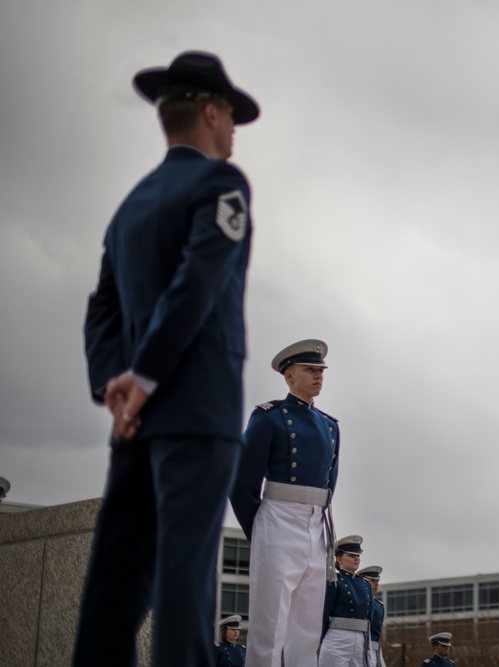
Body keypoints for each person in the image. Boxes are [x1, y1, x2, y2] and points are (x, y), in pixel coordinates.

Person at [78, 50, 258, 666]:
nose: (234, 128)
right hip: (196, 412)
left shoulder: (131, 205)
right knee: (185, 584)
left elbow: (101, 308)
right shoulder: (222, 185)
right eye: (230, 114)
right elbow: (198, 283)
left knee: (113, 588)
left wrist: (115, 385)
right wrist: (147, 379)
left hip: (133, 424)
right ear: (210, 112)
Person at [229, 339, 341, 667]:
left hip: (315, 525)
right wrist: (261, 531)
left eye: (321, 370)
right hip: (277, 519)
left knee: (307, 630)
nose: (318, 376)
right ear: (289, 376)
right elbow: (241, 482)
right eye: (310, 370)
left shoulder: (330, 426)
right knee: (269, 627)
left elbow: (328, 486)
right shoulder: (269, 418)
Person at [320, 536, 373, 667]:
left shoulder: (365, 584)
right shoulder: (334, 580)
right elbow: (325, 611)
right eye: (351, 555)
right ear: (338, 559)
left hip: (361, 638)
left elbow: (369, 617)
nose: (356, 558)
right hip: (338, 636)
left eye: (358, 556)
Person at [358, 565, 386, 667]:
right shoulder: (357, 601)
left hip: (374, 651)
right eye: (372, 581)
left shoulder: (379, 606)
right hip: (357, 648)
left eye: (377, 581)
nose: (376, 584)